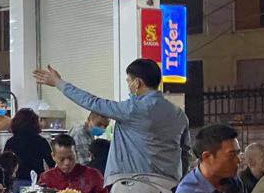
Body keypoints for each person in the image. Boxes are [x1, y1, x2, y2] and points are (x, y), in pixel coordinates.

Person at [32, 58, 191, 185]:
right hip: (170, 188)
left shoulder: (133, 109)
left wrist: (59, 83)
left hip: (136, 188)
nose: (128, 86)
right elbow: (185, 153)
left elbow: (92, 102)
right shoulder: (179, 114)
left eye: (128, 81)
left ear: (137, 83)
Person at [174, 124, 245, 193]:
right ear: (207, 157)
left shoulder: (233, 181)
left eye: (238, 153)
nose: (238, 160)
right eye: (231, 155)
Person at [38, 134, 106, 193]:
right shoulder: (46, 179)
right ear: (53, 156)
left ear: (76, 154)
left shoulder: (93, 176)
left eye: (71, 158)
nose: (67, 163)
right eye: (62, 159)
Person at [3, 107, 52, 192]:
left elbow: (5, 165)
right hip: (37, 182)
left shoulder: (11, 142)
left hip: (16, 183)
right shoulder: (41, 141)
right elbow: (51, 162)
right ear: (35, 124)